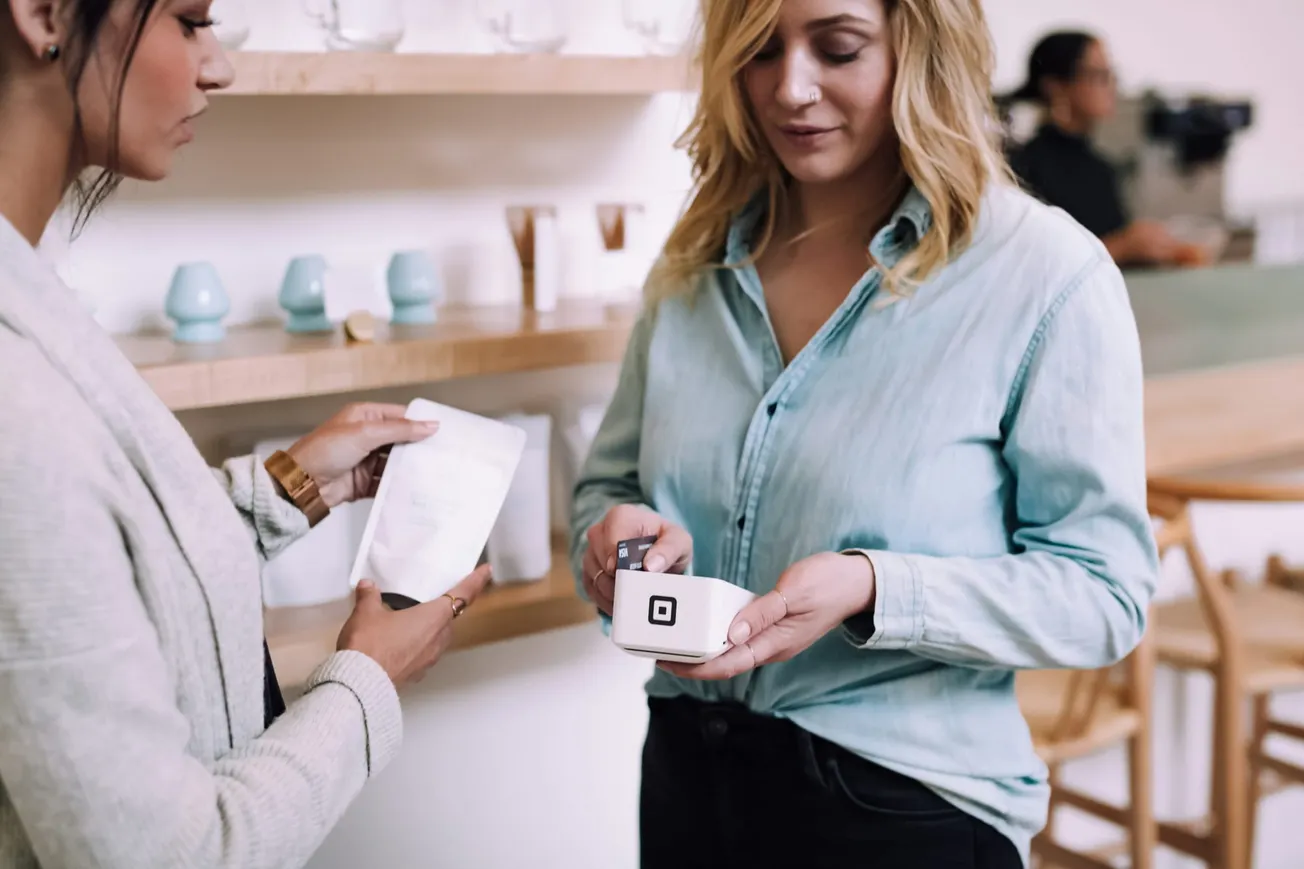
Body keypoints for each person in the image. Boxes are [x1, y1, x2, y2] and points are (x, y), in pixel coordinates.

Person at [570, 1, 1159, 867]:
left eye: (838, 49)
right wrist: (611, 538)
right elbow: (608, 487)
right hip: (688, 772)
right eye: (760, 52)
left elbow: (1104, 593)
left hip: (901, 806)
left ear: (922, 51)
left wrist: (876, 588)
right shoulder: (694, 261)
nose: (790, 89)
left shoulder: (1044, 275)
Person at [0, 3, 491, 867]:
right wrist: (366, 680)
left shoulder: (32, 304)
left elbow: (100, 574)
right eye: (188, 21)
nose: (217, 65)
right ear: (42, 12)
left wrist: (292, 488)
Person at [1006, 30, 1208, 267]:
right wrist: (1120, 247)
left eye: (1112, 75)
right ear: (1055, 86)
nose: (1112, 86)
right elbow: (1031, 264)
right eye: (1099, 75)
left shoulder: (1101, 169)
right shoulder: (1023, 170)